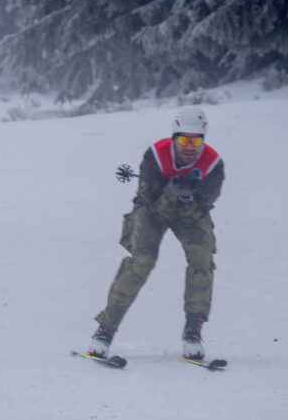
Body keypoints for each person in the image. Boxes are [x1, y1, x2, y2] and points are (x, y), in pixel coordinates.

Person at [88, 106, 224, 361]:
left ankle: (193, 330)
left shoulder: (213, 164)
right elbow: (148, 202)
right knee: (141, 261)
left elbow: (206, 204)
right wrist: (169, 195)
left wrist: (188, 199)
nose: (190, 147)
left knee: (202, 259)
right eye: (184, 140)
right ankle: (105, 329)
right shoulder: (155, 156)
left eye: (196, 141)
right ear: (174, 138)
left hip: (191, 214)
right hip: (153, 211)